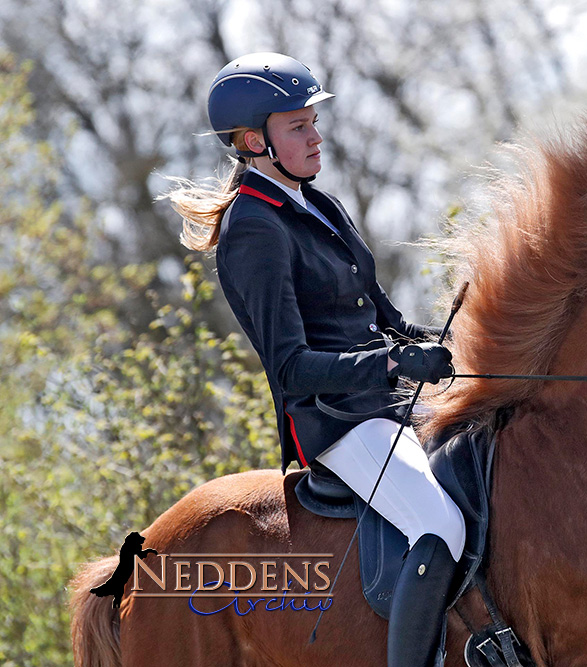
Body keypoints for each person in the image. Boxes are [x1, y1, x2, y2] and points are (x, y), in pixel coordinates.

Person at [164, 52, 464, 667]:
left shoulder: (319, 204)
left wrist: (451, 341)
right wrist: (392, 366)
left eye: (313, 122)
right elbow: (291, 366)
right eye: (297, 126)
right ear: (255, 141)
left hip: (390, 406)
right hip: (338, 423)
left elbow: (386, 321)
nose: (315, 136)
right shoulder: (255, 228)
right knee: (442, 528)